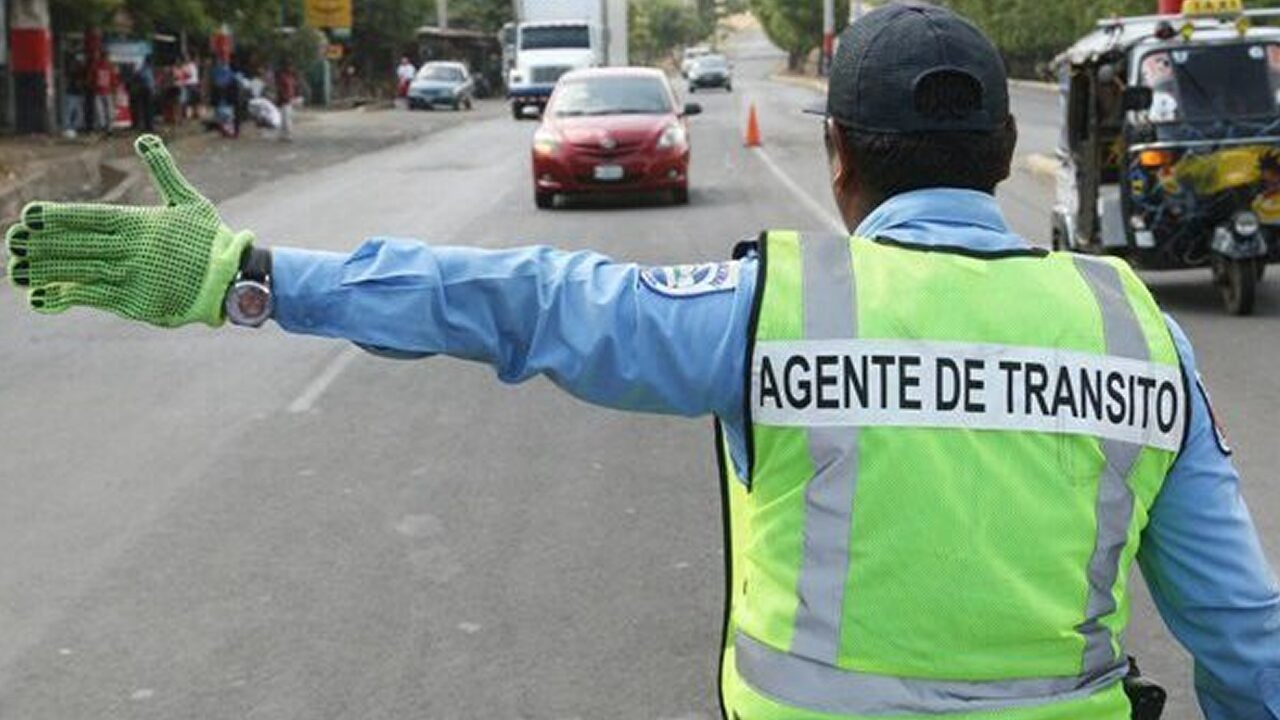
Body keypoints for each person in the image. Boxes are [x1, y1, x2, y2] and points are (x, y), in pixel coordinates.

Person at [4, 4, 1278, 720]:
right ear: (1006, 156)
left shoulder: (774, 311)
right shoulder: (1136, 334)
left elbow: (521, 302)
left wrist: (251, 275)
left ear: (837, 156)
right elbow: (1241, 641)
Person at [88, 50, 116, 134]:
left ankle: (108, 128)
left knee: (106, 111)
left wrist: (113, 89)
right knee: (101, 112)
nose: (106, 59)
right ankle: (105, 128)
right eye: (106, 57)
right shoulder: (98, 66)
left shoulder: (108, 67)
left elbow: (113, 79)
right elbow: (91, 78)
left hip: (105, 92)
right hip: (100, 92)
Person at [129, 55, 157, 133]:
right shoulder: (145, 70)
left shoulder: (145, 69)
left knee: (147, 109)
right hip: (146, 90)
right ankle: (148, 126)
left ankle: (148, 125)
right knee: (147, 109)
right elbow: (148, 81)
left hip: (146, 90)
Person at [62, 55, 87, 138]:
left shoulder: (80, 72)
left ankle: (73, 128)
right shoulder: (72, 72)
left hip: (77, 94)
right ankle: (69, 128)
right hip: (71, 94)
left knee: (77, 113)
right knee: (71, 112)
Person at [276, 62, 297, 142]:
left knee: (286, 118)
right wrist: (285, 97)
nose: (291, 69)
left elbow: (292, 88)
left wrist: (292, 97)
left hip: (289, 99)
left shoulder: (290, 77)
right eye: (290, 67)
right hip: (285, 100)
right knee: (285, 118)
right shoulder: (284, 77)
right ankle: (285, 135)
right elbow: (281, 89)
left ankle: (287, 134)